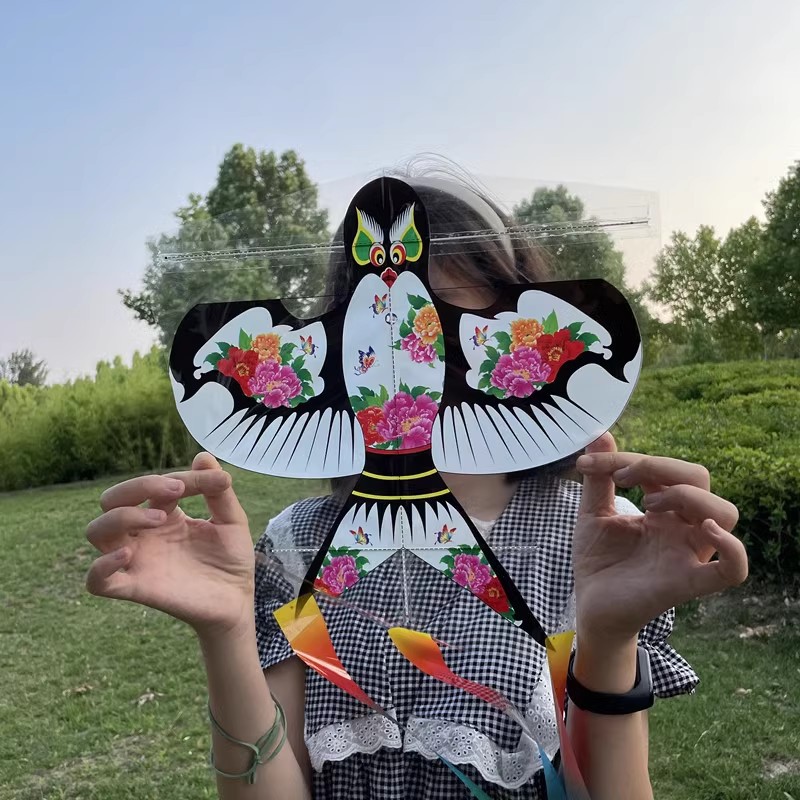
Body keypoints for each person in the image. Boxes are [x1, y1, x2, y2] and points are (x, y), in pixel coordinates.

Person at [85, 174, 748, 800]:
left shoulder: (594, 541)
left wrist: (607, 638)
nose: (399, 336)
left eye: (446, 300)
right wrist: (227, 631)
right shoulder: (296, 545)